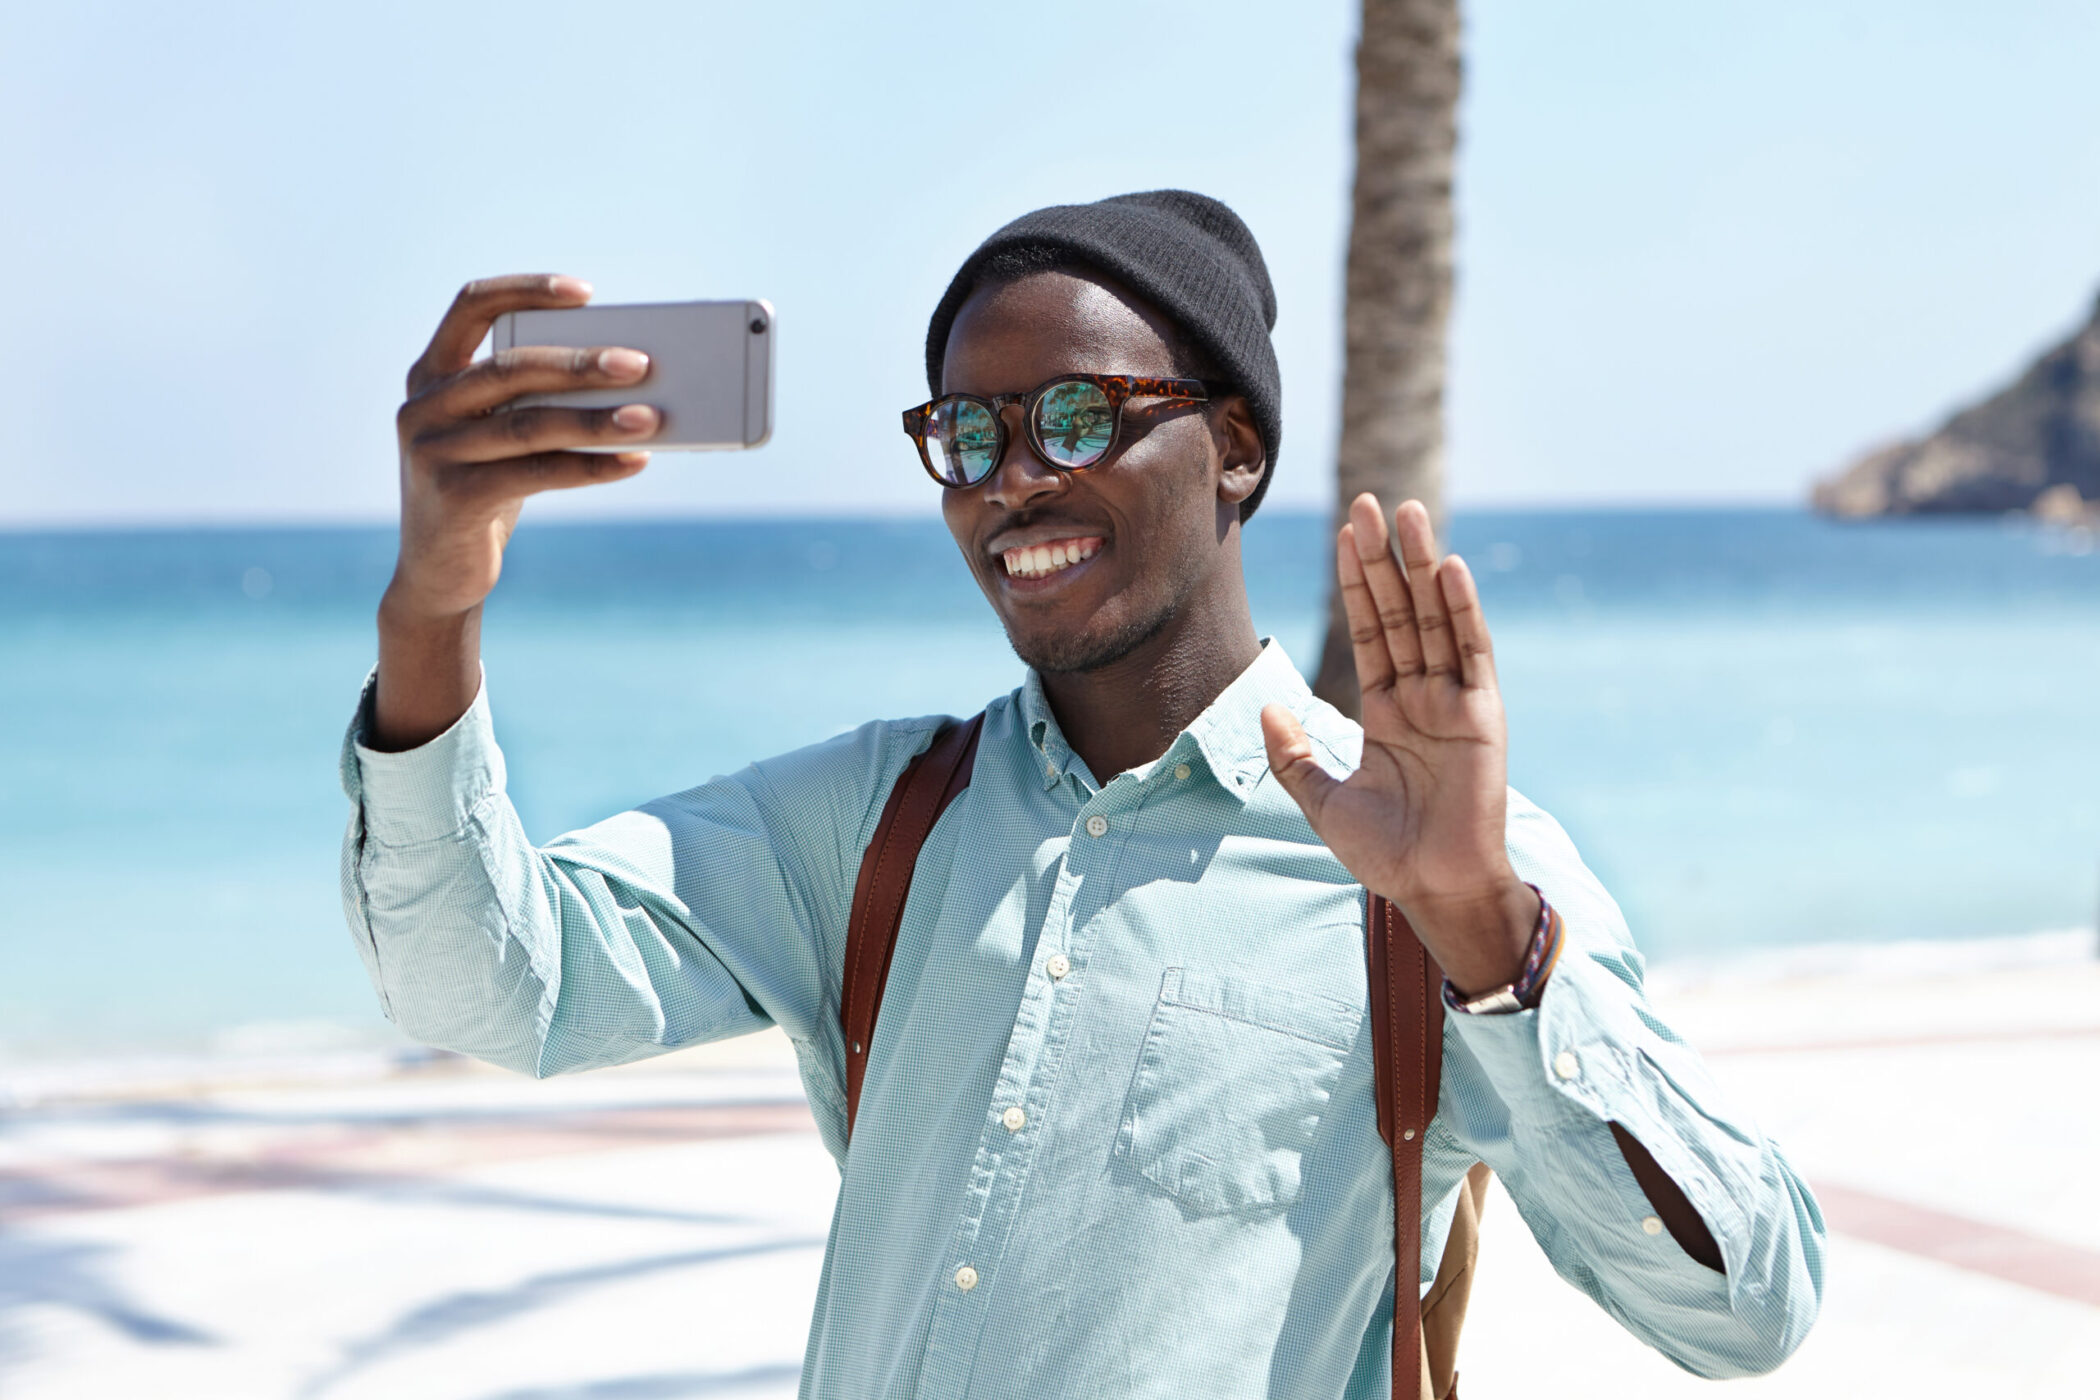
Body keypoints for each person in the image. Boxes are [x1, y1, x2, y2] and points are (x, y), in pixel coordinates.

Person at [343, 191, 1823, 1397]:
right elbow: (486, 982)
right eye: (967, 437)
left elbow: (1744, 1313)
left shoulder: (1433, 871)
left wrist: (1486, 937)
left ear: (1233, 447)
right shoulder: (875, 824)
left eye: (1075, 416)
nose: (1010, 483)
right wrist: (436, 597)